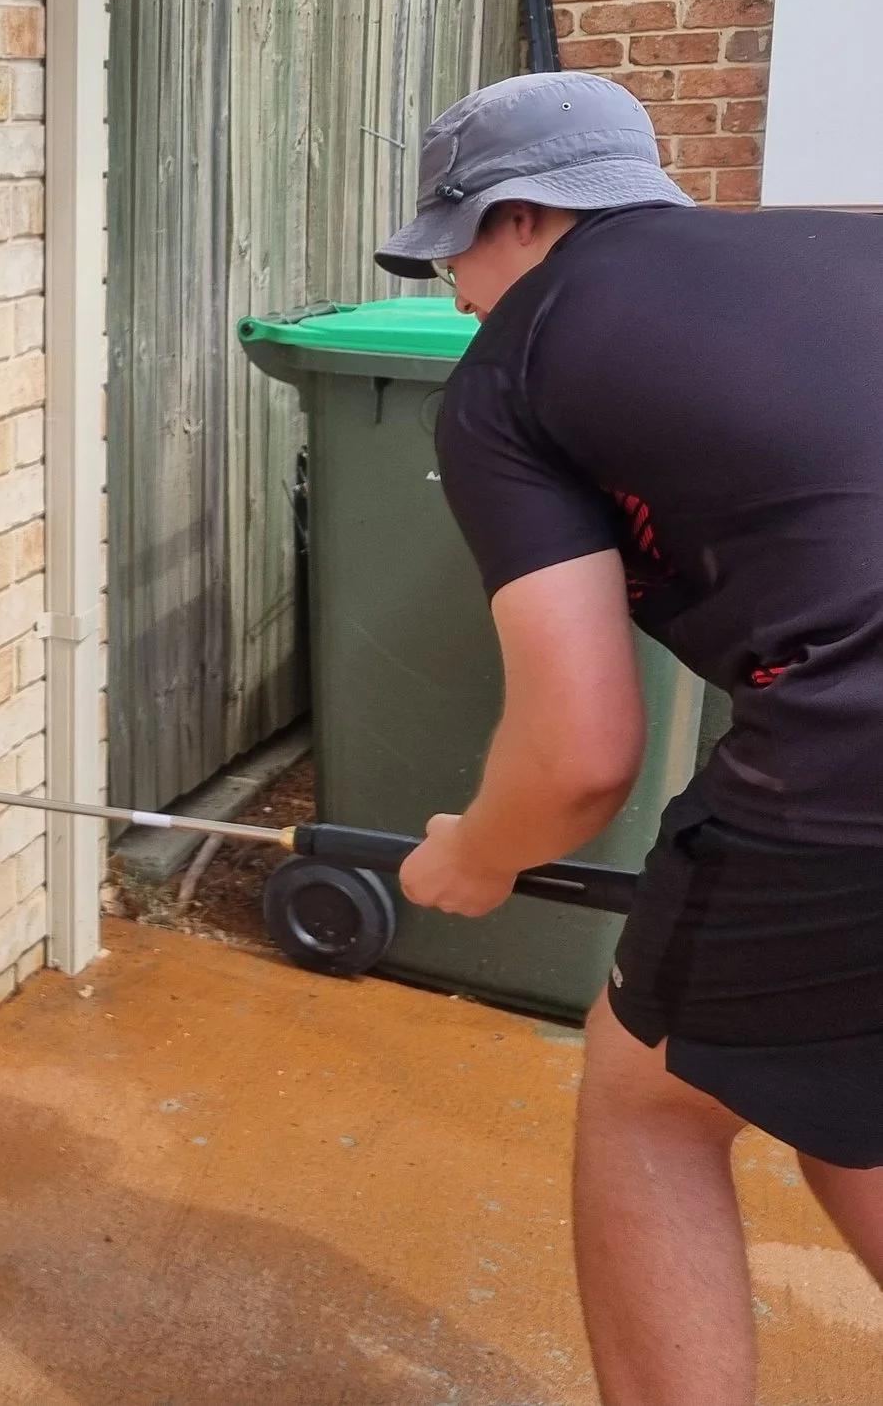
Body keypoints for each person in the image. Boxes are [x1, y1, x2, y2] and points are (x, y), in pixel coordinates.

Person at [376, 70, 883, 1406]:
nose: (455, 293)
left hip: (855, 745)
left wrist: (471, 861)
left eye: (456, 252)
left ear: (529, 217)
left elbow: (585, 751)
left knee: (650, 1093)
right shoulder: (847, 234)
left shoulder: (518, 363)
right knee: (839, 1086)